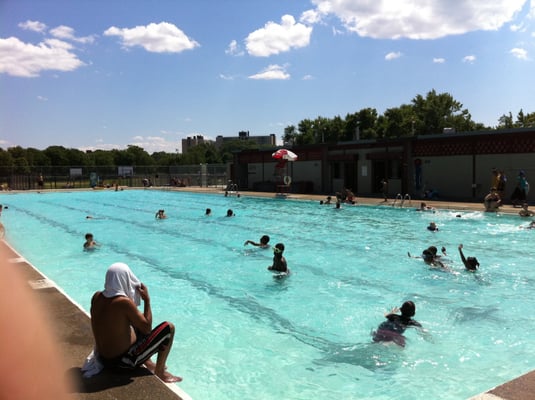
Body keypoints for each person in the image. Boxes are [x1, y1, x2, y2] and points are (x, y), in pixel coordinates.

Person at [87, 262, 181, 383]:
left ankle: (148, 362)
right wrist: (147, 300)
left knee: (136, 320)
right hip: (121, 364)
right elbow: (147, 329)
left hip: (102, 359)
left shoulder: (97, 297)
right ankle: (160, 372)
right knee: (168, 328)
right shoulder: (123, 302)